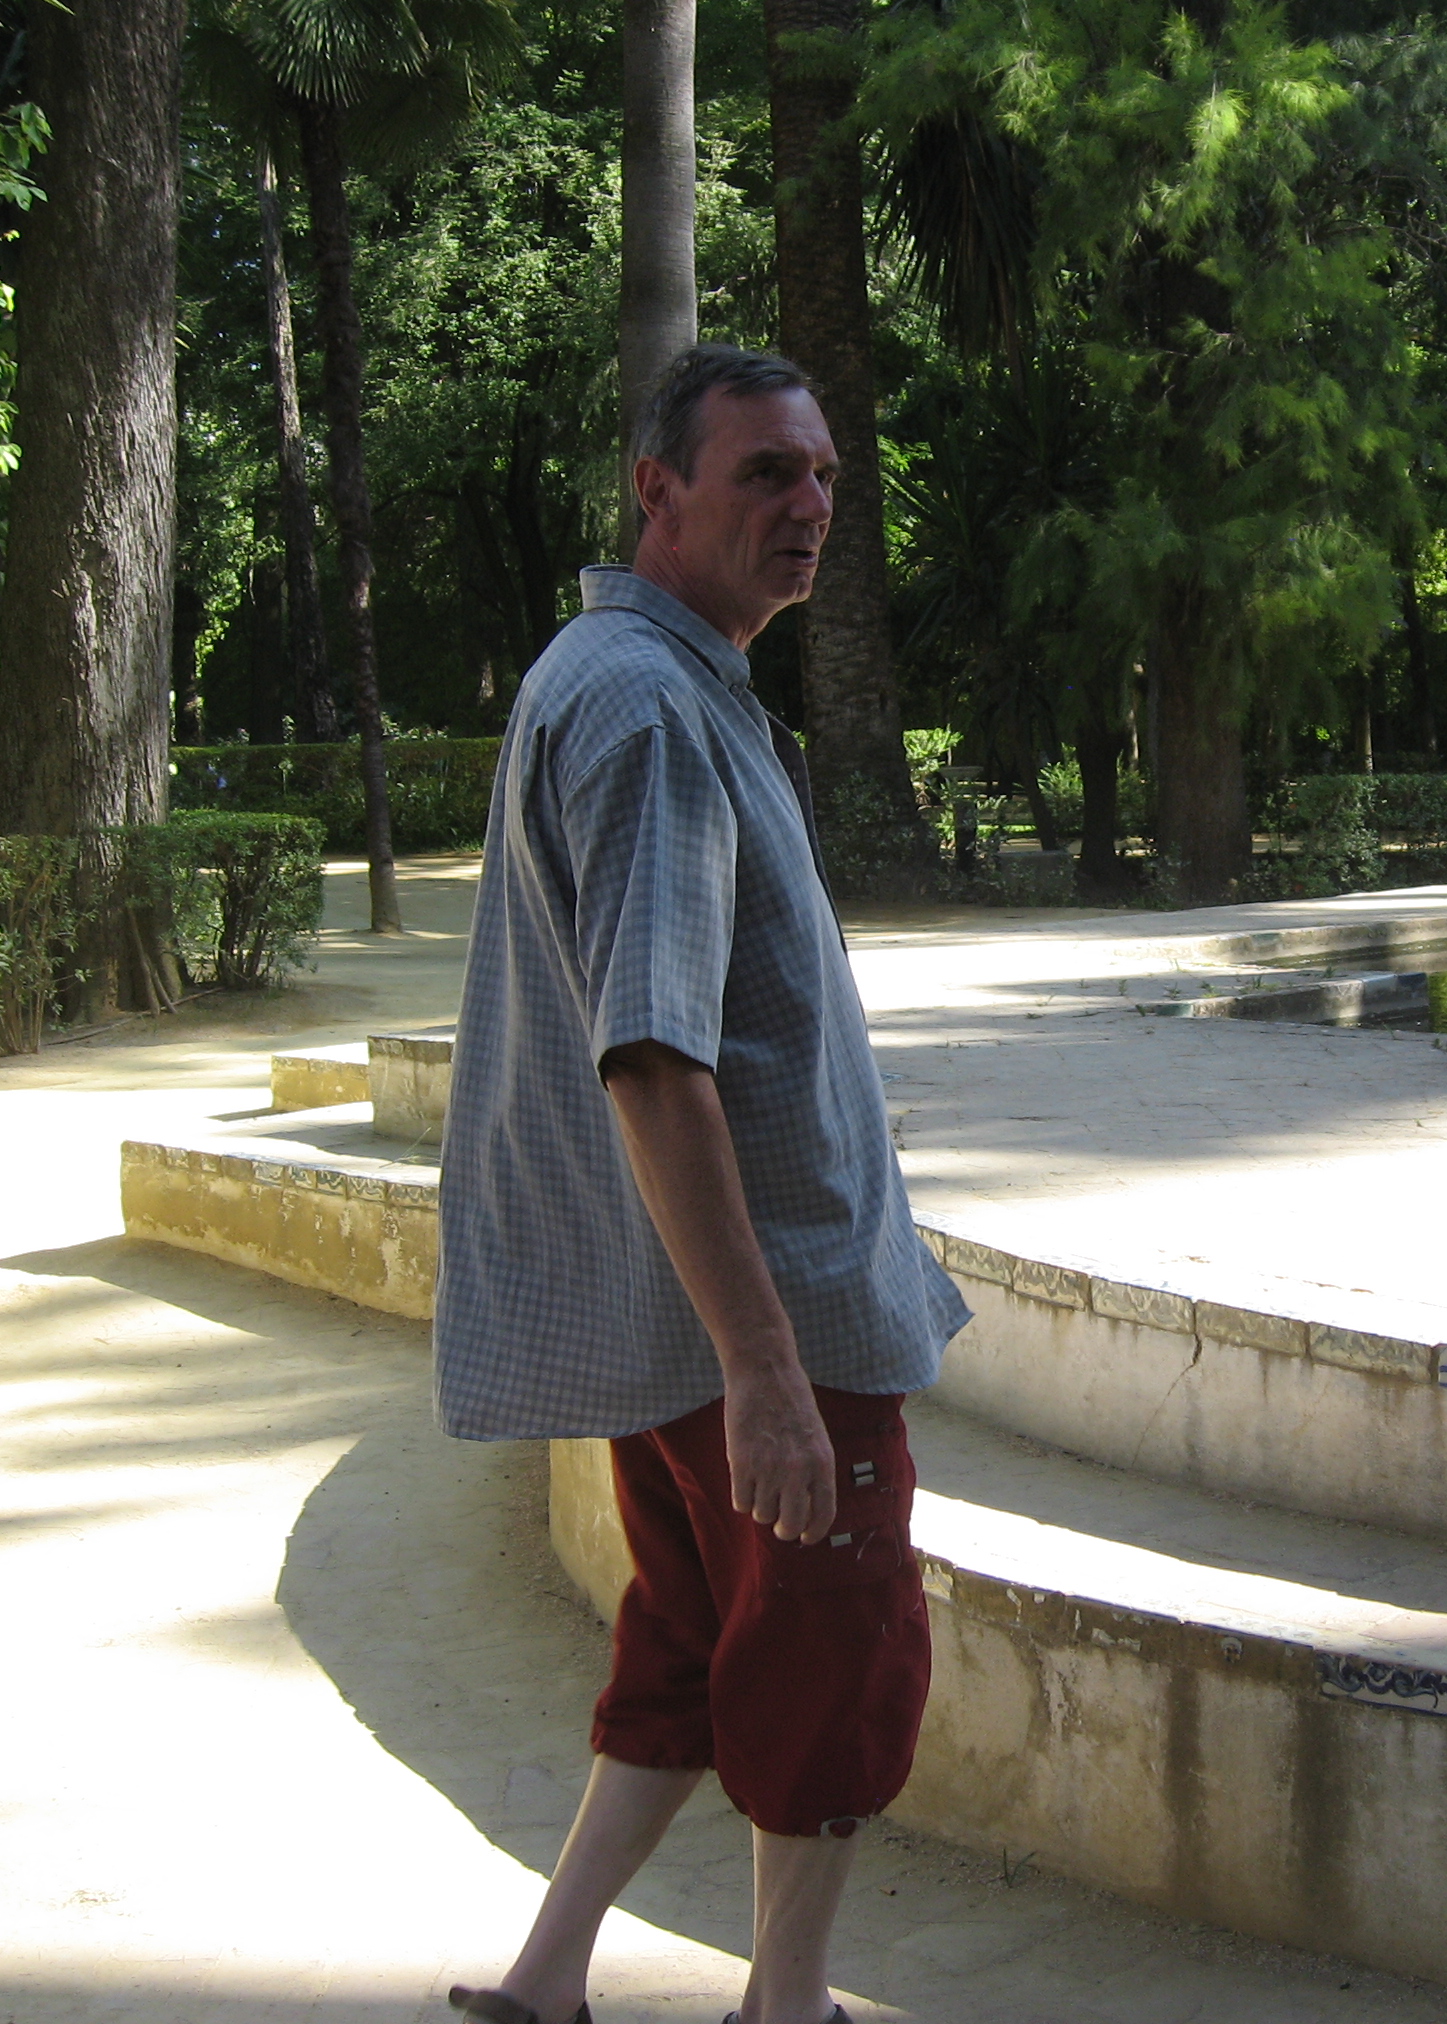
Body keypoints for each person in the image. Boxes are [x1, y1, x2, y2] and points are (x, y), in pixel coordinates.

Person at [433, 343, 970, 2024]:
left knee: (682, 1640)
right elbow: (654, 1059)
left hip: (672, 1321)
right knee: (832, 1658)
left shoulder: (621, 675)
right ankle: (784, 2006)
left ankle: (545, 1983)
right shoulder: (656, 712)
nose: (809, 505)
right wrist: (766, 1374)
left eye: (823, 476)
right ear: (658, 492)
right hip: (766, 1317)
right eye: (765, 473)